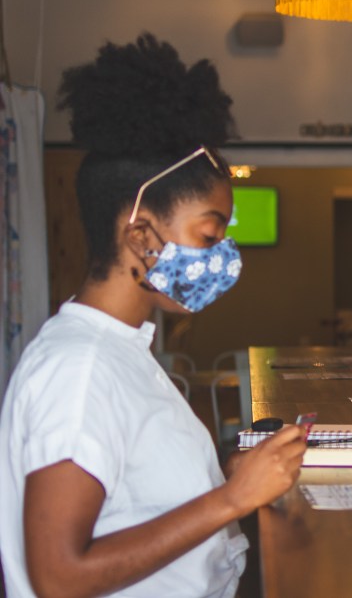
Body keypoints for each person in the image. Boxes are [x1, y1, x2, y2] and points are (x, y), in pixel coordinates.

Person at [0, 34, 306, 597]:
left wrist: (230, 478)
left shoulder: (120, 352)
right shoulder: (79, 371)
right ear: (141, 235)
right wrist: (232, 499)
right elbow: (58, 576)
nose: (222, 255)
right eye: (209, 235)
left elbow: (137, 500)